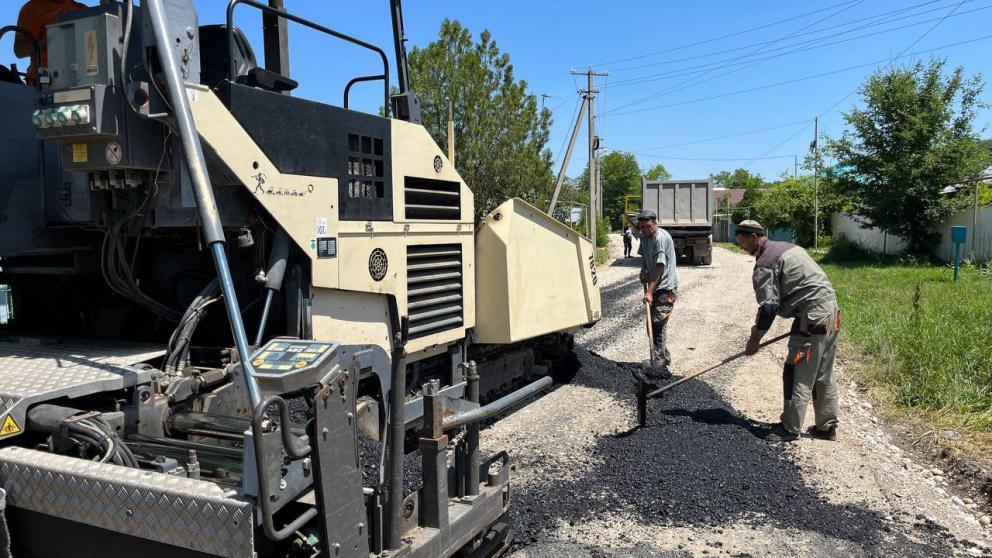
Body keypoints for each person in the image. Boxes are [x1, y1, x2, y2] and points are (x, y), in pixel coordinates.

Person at [735, 220, 840, 443]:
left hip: (812, 317)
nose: (741, 247)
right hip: (830, 311)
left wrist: (755, 338)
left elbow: (769, 307)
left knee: (797, 370)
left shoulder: (765, 262)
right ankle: (826, 427)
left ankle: (789, 428)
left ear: (754, 237)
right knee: (823, 372)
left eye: (742, 241)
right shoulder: (789, 247)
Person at [637, 210, 678, 373]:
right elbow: (644, 256)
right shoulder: (643, 237)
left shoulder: (660, 238)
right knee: (650, 326)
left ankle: (659, 363)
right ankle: (663, 356)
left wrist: (649, 291)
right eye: (642, 227)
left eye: (648, 226)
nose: (645, 230)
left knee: (658, 325)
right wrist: (643, 269)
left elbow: (660, 268)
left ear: (655, 223)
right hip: (654, 286)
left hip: (665, 287)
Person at [14, 0, 86, 84]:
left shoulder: (82, 9)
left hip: (81, 79)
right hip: (44, 82)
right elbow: (19, 49)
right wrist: (50, 39)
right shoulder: (33, 8)